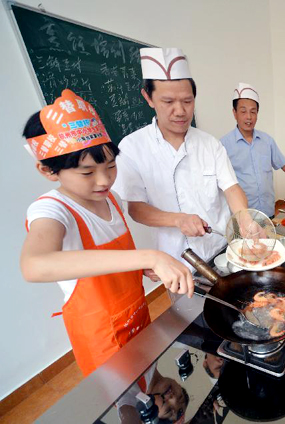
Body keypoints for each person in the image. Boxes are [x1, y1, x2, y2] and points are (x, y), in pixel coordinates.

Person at [20, 89, 194, 376]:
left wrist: (142, 268)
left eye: (111, 167)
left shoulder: (109, 199)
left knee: (149, 385)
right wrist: (149, 256)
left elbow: (112, 257)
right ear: (48, 171)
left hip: (138, 315)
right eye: (87, 173)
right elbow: (34, 265)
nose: (104, 181)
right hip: (100, 336)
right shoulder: (52, 210)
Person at [113, 49, 248, 274]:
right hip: (176, 260)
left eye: (187, 101)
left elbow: (231, 187)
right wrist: (177, 220)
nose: (180, 111)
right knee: (187, 307)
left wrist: (245, 218)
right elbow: (135, 208)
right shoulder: (132, 147)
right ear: (148, 98)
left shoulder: (209, 143)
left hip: (220, 250)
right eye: (168, 101)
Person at [221, 83, 285, 217]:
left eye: (253, 111)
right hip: (243, 216)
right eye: (243, 111)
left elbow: (284, 164)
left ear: (257, 113)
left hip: (267, 211)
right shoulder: (223, 145)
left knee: (269, 237)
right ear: (234, 113)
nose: (248, 117)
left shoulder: (267, 141)